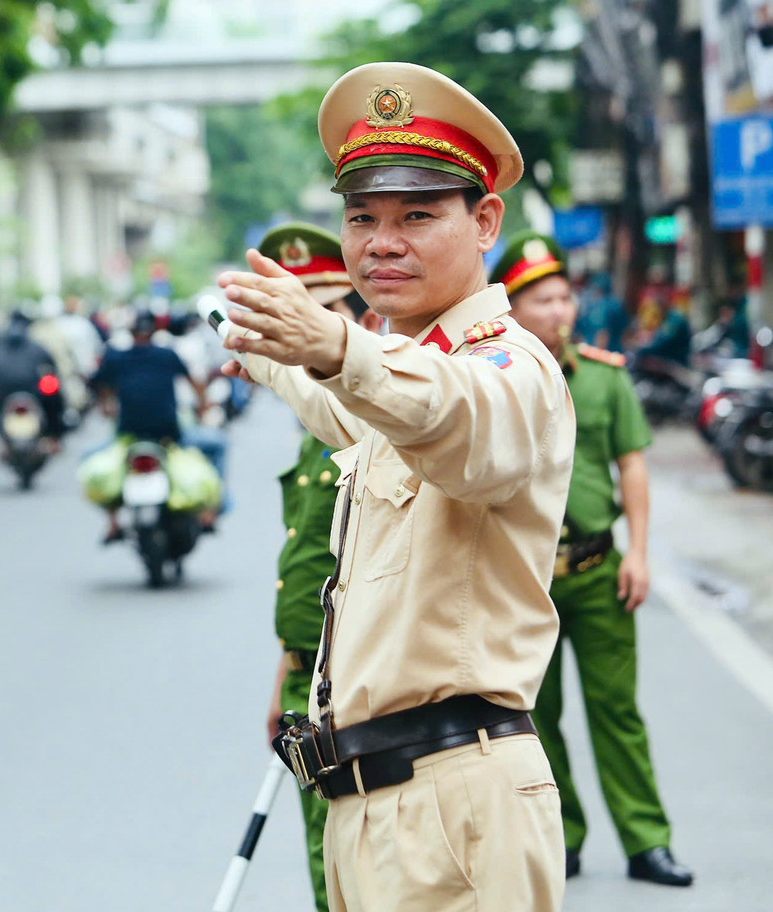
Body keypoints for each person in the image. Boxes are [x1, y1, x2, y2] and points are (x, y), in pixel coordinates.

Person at [218, 62, 575, 911]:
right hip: (368, 808)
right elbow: (351, 407)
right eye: (362, 217)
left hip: (456, 801)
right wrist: (277, 349)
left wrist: (340, 348)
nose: (381, 241)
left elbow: (456, 419)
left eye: (417, 215)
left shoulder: (508, 366)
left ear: (485, 220)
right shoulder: (401, 380)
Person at [491, 232, 693, 887]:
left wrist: (638, 550)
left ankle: (646, 840)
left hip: (598, 569)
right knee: (535, 720)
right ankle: (561, 839)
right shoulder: (490, 381)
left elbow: (631, 463)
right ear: (512, 308)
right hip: (523, 580)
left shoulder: (604, 378)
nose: (560, 311)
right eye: (542, 300)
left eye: (563, 297)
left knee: (617, 712)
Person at [256, 223, 382, 912]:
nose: (300, 330)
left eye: (321, 311)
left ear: (358, 322)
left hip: (365, 678)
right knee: (321, 848)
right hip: (312, 666)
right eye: (289, 310)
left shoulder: (375, 422)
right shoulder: (312, 434)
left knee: (362, 851)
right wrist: (286, 674)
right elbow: (310, 571)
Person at [91, 311, 211, 542]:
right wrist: (203, 408)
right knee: (216, 446)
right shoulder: (167, 355)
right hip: (169, 434)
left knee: (92, 460)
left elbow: (100, 386)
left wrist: (106, 405)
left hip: (128, 433)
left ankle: (113, 522)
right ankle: (209, 515)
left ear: (131, 333)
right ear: (155, 332)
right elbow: (195, 385)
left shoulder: (116, 357)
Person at [0, 311, 65, 447]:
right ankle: (54, 437)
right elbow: (51, 366)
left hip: (7, 392)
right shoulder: (36, 346)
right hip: (31, 391)